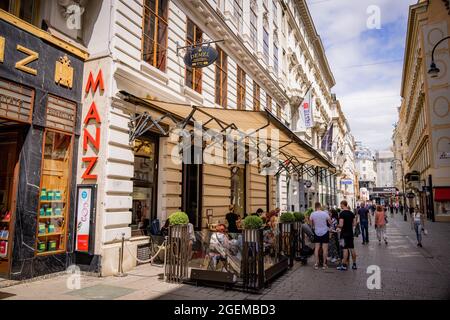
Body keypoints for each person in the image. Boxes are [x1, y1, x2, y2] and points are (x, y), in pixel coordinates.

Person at [310, 202, 331, 270]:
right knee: (325, 249)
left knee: (317, 248)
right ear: (320, 206)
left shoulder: (312, 214)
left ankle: (316, 263)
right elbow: (330, 222)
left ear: (315, 207)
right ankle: (324, 264)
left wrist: (314, 226)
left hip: (317, 232)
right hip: (325, 232)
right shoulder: (325, 213)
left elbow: (311, 224)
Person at [337, 200, 357, 271]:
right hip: (350, 233)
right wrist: (349, 225)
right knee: (352, 248)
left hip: (344, 234)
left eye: (341, 204)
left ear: (343, 204)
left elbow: (341, 225)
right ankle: (354, 264)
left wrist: (338, 226)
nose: (340, 206)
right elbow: (354, 224)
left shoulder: (342, 214)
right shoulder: (352, 213)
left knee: (345, 249)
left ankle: (344, 265)